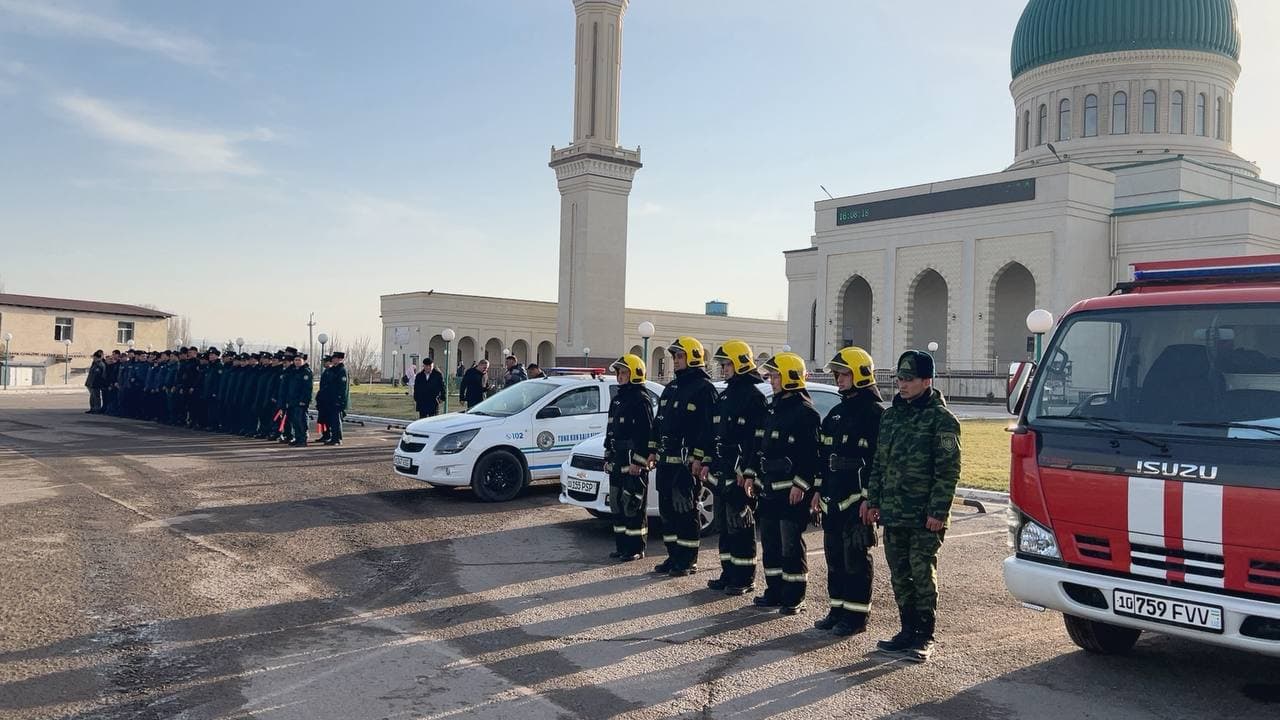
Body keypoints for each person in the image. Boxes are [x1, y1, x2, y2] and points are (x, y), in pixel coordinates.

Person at [863, 350, 961, 663]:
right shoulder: (892, 416)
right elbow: (879, 462)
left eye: (908, 379)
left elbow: (948, 471)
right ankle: (906, 630)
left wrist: (938, 512)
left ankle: (924, 635)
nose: (901, 385)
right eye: (899, 379)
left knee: (921, 574)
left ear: (926, 380)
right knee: (899, 574)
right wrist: (873, 499)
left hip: (923, 517)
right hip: (894, 512)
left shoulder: (941, 420)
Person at [812, 347, 883, 636]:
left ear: (861, 375)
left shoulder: (875, 414)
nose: (838, 379)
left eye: (843, 374)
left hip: (857, 501)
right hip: (832, 498)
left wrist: (870, 498)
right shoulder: (837, 413)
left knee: (855, 560)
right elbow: (823, 454)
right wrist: (818, 490)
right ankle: (837, 610)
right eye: (837, 374)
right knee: (834, 558)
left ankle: (856, 617)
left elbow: (879, 462)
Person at [746, 352, 820, 616]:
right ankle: (774, 591)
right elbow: (758, 448)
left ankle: (794, 596)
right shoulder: (772, 409)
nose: (772, 380)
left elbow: (811, 456)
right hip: (768, 490)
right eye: (772, 376)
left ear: (790, 377)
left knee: (790, 545)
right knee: (770, 543)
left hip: (791, 494)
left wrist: (801, 485)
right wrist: (752, 475)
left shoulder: (805, 414)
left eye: (776, 376)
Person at [699, 341, 768, 596]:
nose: (724, 368)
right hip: (721, 472)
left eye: (727, 364)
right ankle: (728, 573)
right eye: (722, 364)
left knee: (741, 526)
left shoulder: (754, 398)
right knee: (724, 527)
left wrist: (748, 471)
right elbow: (712, 433)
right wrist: (707, 461)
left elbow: (756, 441)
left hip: (739, 476)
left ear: (740, 363)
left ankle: (744, 578)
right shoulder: (725, 396)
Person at [647, 337, 717, 577]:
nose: (676, 361)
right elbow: (659, 422)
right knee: (667, 512)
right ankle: (673, 555)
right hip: (666, 462)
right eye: (675, 357)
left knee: (685, 512)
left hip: (686, 466)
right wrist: (652, 449)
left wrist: (699, 457)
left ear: (693, 357)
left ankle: (688, 560)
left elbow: (708, 429)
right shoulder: (671, 388)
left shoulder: (704, 389)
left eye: (680, 356)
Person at [605, 354, 654, 562]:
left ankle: (636, 548)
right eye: (618, 372)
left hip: (633, 462)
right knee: (617, 504)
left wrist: (639, 461)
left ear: (635, 373)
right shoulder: (617, 399)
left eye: (624, 372)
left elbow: (647, 433)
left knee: (632, 504)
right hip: (617, 460)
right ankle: (622, 546)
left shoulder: (641, 399)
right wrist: (607, 454)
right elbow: (610, 430)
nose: (620, 376)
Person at [280, 349, 313, 446]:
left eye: (299, 360)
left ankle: (302, 439)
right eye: (295, 360)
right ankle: (297, 438)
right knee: (294, 421)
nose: (297, 362)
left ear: (303, 361)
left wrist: (304, 400)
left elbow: (307, 389)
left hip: (301, 401)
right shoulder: (293, 371)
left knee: (301, 421)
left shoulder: (306, 372)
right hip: (292, 400)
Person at [318, 352, 349, 445]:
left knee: (336, 420)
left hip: (337, 400)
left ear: (340, 359)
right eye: (333, 358)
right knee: (331, 420)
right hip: (330, 399)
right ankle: (332, 437)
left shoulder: (342, 370)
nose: (333, 360)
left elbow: (343, 388)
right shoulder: (333, 370)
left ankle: (337, 439)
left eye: (335, 358)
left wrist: (340, 400)